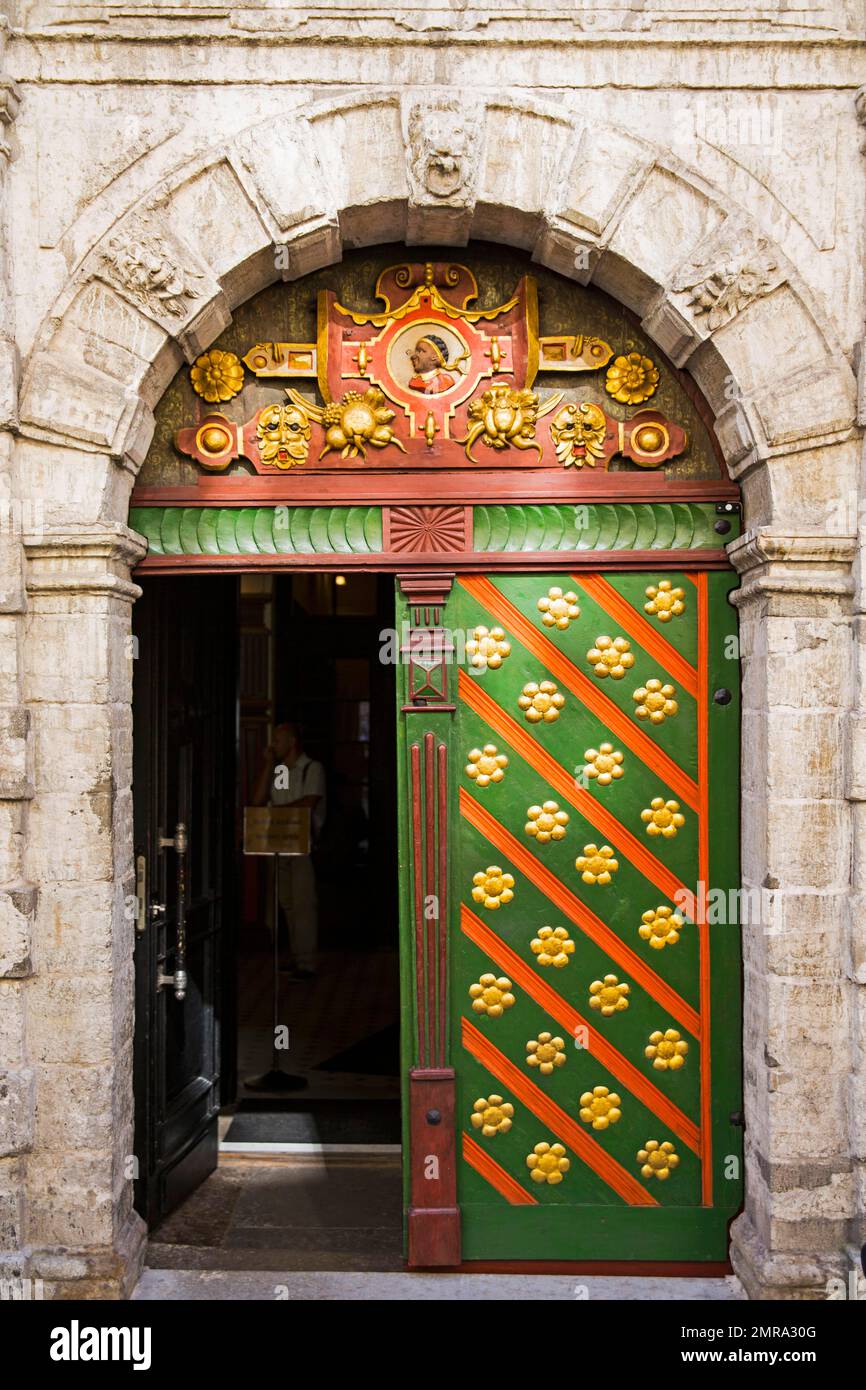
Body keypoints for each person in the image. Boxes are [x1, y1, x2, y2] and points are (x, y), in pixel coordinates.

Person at [253, 722, 326, 981]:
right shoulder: (278, 770)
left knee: (304, 903)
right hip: (280, 844)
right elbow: (258, 801)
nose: (273, 745)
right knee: (287, 903)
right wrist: (267, 765)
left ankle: (307, 963)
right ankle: (296, 958)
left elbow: (309, 803)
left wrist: (276, 813)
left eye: (278, 740)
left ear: (292, 741)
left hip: (303, 846)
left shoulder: (311, 768)